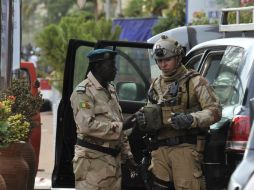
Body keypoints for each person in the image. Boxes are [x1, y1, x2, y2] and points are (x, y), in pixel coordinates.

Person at [126, 35, 222, 190]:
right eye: (159, 61)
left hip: (185, 148)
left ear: (178, 58)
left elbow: (215, 111)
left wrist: (191, 119)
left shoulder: (195, 81)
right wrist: (144, 120)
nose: (163, 65)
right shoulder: (156, 85)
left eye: (167, 60)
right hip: (159, 150)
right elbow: (150, 112)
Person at [70, 49, 136, 190]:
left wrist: (128, 156)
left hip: (112, 161)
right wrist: (121, 126)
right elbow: (86, 126)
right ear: (97, 67)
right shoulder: (83, 92)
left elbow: (118, 124)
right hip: (92, 162)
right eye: (111, 65)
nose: (115, 69)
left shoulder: (110, 89)